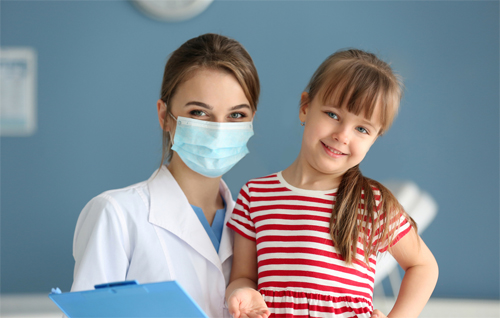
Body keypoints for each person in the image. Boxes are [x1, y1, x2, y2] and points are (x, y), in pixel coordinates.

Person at [225, 49, 438, 318]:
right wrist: (241, 292)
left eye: (362, 129)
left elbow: (424, 266)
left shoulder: (373, 202)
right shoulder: (256, 196)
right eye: (333, 115)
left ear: (374, 138)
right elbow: (242, 277)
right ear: (305, 107)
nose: (342, 135)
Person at [71, 33, 260, 318]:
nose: (219, 130)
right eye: (199, 112)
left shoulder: (252, 226)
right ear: (164, 116)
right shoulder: (117, 214)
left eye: (236, 116)